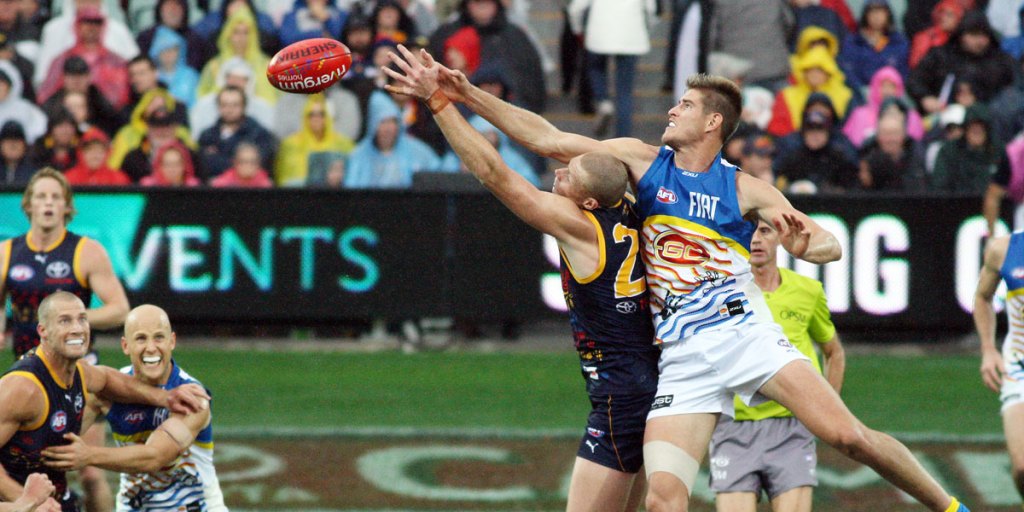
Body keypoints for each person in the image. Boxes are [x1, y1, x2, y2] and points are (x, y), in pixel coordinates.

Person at [384, 44, 972, 512]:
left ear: (714, 121)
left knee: (847, 437)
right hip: (682, 358)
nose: (672, 110)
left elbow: (827, 241)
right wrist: (466, 93)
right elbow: (545, 137)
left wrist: (808, 243)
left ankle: (948, 508)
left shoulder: (744, 189)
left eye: (685, 106)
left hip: (743, 335)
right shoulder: (642, 160)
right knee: (665, 499)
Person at [383, 46, 659, 512]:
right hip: (649, 379)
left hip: (619, 397)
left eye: (569, 178)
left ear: (589, 202)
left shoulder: (581, 227)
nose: (558, 175)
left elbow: (495, 174)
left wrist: (439, 105)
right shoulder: (631, 204)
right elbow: (547, 136)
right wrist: (467, 92)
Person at [0, 292, 209, 511]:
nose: (77, 328)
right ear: (43, 331)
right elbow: (154, 457)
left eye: (82, 319)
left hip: (54, 500)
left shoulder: (78, 372)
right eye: (65, 321)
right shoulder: (23, 388)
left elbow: (108, 380)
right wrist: (26, 502)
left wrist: (166, 397)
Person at [709, 220, 845, 512]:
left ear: (780, 238)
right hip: (733, 427)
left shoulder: (807, 291)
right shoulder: (719, 294)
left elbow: (834, 352)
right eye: (749, 232)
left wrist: (826, 412)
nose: (756, 240)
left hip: (791, 429)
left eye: (765, 231)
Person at [42, 304, 227, 511]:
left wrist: (88, 455)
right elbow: (59, 436)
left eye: (159, 337)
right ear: (125, 346)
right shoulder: (108, 392)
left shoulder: (193, 398)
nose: (151, 348)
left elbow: (155, 456)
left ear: (172, 341)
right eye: (141, 338)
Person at [974, 231, 1024, 504]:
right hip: (1019, 368)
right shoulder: (1003, 249)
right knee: (1021, 468)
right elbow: (983, 297)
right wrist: (988, 349)